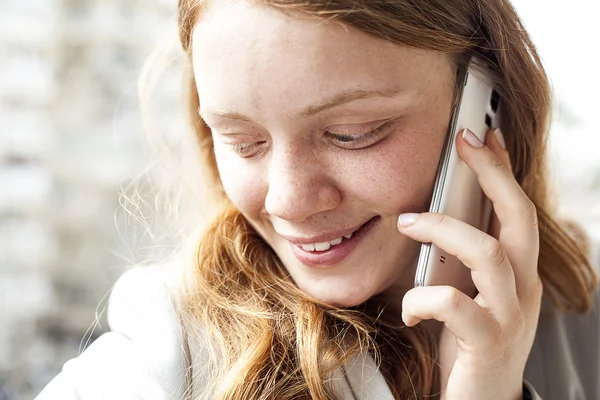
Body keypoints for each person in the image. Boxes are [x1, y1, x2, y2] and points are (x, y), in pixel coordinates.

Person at [36, 0, 599, 399]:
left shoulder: (582, 315)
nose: (289, 202)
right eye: (243, 142)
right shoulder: (166, 357)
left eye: (353, 132)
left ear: (484, 101)